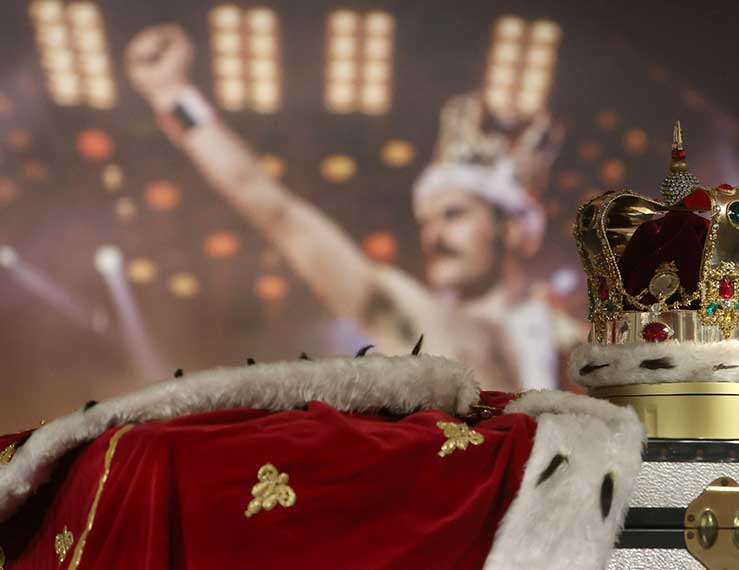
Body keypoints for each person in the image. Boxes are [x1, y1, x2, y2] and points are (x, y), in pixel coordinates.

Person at [125, 24, 580, 391]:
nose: (433, 235)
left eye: (455, 214)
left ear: (515, 229)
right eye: (426, 220)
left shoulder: (577, 345)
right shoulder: (411, 315)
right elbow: (277, 212)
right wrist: (173, 97)